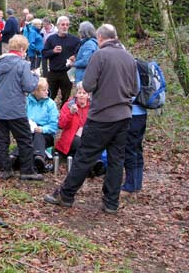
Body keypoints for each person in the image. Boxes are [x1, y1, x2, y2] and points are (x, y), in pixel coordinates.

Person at [44, 24, 138, 214]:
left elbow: (87, 84)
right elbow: (135, 89)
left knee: (85, 156)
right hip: (124, 116)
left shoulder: (100, 55)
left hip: (102, 116)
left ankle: (66, 194)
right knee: (116, 159)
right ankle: (111, 202)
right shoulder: (129, 57)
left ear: (101, 38)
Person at [0, 34, 42, 181]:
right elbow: (29, 86)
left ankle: (5, 170)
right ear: (22, 49)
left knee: (1, 140)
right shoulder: (23, 64)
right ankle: (27, 171)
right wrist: (36, 76)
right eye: (25, 49)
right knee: (25, 139)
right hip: (15, 109)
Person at [42, 16, 80, 106]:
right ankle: (47, 113)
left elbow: (80, 52)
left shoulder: (74, 40)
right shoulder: (51, 39)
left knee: (66, 97)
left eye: (67, 25)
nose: (65, 27)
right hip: (53, 72)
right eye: (63, 24)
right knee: (49, 95)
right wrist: (53, 51)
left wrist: (75, 56)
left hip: (67, 72)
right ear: (58, 26)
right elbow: (44, 53)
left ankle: (63, 115)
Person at [122, 74, 148, 197]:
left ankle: (130, 186)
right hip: (142, 112)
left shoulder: (132, 67)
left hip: (133, 114)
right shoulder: (139, 67)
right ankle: (136, 185)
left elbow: (133, 92)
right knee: (137, 149)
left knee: (130, 149)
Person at [27, 78, 59, 172]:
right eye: (43, 90)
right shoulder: (27, 102)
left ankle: (39, 156)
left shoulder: (50, 104)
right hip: (30, 132)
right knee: (30, 136)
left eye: (47, 89)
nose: (47, 92)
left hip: (47, 135)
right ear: (36, 91)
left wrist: (42, 129)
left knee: (38, 135)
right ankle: (15, 157)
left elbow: (54, 126)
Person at [55, 84, 90, 157]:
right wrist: (70, 113)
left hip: (87, 137)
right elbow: (61, 125)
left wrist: (83, 129)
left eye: (84, 93)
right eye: (79, 92)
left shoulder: (93, 108)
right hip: (70, 140)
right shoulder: (68, 105)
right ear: (76, 94)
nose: (81, 95)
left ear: (88, 95)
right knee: (79, 142)